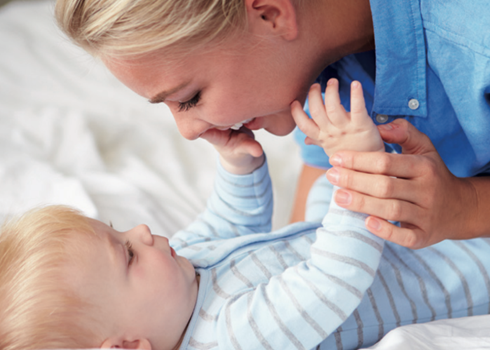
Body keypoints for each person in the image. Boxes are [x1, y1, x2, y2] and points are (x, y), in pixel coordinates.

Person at [2, 81, 490, 350]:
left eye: (117, 228)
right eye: (127, 253)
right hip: (442, 270)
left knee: (327, 179)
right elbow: (334, 278)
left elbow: (229, 223)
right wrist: (352, 170)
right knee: (354, 180)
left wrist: (239, 168)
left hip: (335, 236)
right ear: (130, 348)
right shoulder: (233, 338)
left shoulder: (177, 276)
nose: (142, 231)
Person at [54, 0, 490, 250]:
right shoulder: (311, 74)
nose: (189, 131)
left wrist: (465, 207)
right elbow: (324, 179)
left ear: (271, 15)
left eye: (189, 98)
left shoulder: (475, 39)